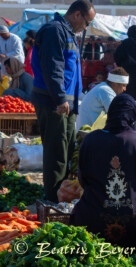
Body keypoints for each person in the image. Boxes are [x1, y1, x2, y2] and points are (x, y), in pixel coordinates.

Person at [70, 94, 136, 250]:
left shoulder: (90, 140)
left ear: (110, 113)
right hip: (132, 224)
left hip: (91, 220)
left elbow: (83, 180)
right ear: (132, 115)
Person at [31, 0, 96, 202]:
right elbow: (53, 67)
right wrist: (60, 98)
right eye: (87, 22)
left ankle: (60, 194)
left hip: (66, 105)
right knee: (56, 153)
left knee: (66, 150)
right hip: (54, 104)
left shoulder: (67, 33)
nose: (86, 28)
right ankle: (52, 200)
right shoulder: (54, 31)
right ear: (77, 14)